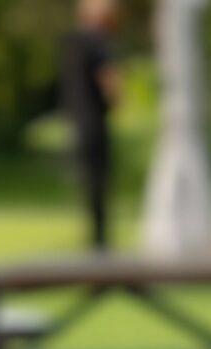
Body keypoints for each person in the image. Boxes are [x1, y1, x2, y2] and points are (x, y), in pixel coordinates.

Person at [61, 0, 119, 250]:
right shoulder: (97, 43)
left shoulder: (71, 43)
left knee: (88, 182)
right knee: (99, 181)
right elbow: (108, 79)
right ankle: (100, 240)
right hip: (95, 120)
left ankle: (96, 237)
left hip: (78, 119)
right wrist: (116, 100)